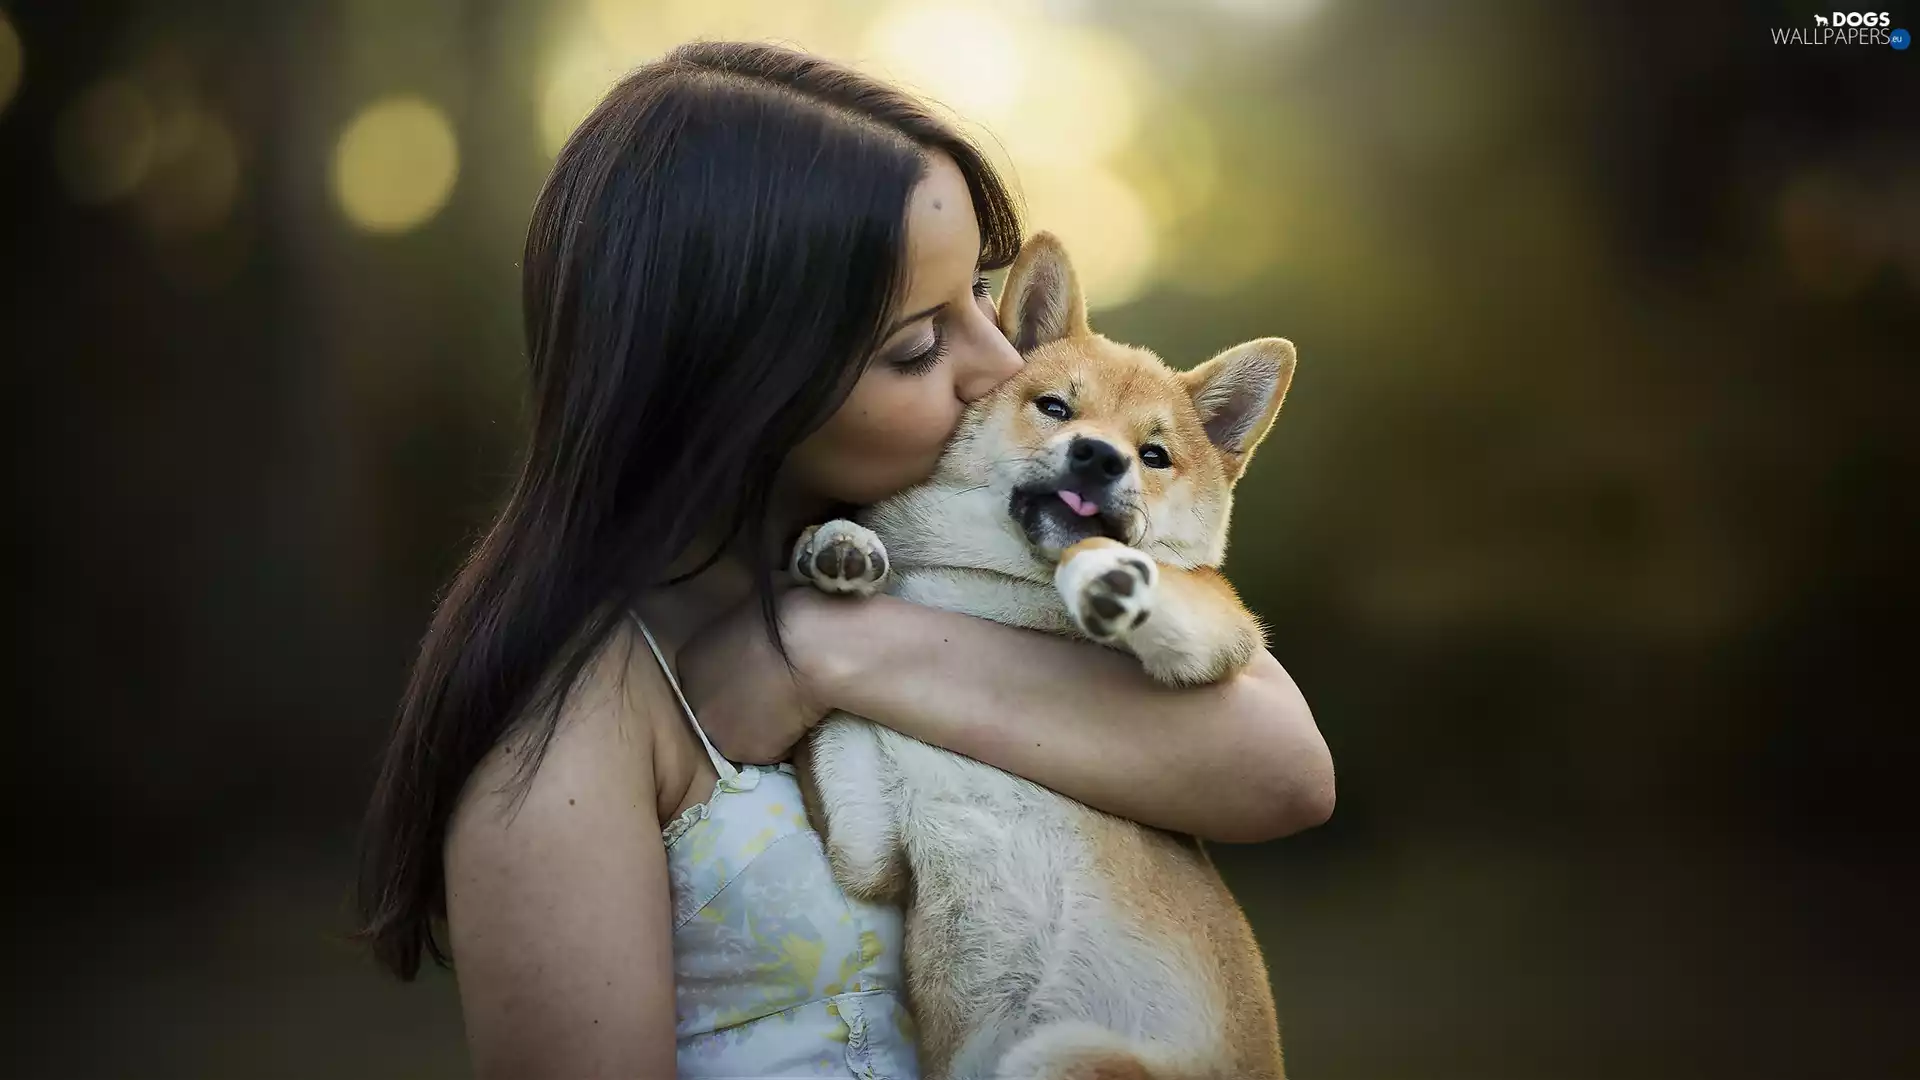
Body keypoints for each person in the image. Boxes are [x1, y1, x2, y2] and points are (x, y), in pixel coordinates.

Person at [356, 40, 1335, 1080]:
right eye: (920, 344)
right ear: (741, 385)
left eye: (984, 296)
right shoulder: (564, 732)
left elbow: (1285, 772)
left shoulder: (976, 550)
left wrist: (828, 649)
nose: (1005, 363)